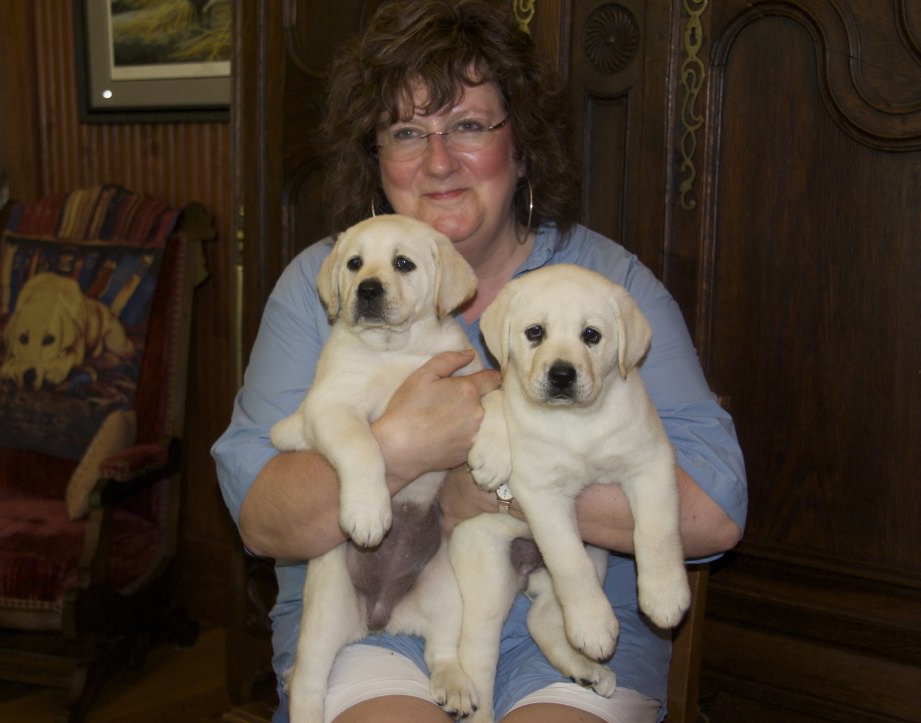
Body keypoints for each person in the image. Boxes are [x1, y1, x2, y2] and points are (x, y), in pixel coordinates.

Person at [212, 1, 747, 721]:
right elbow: (260, 517)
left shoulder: (607, 289)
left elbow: (715, 512)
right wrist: (398, 449)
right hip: (372, 613)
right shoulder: (327, 281)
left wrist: (495, 489)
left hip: (575, 622)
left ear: (522, 147)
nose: (437, 161)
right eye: (406, 132)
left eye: (467, 125)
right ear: (374, 157)